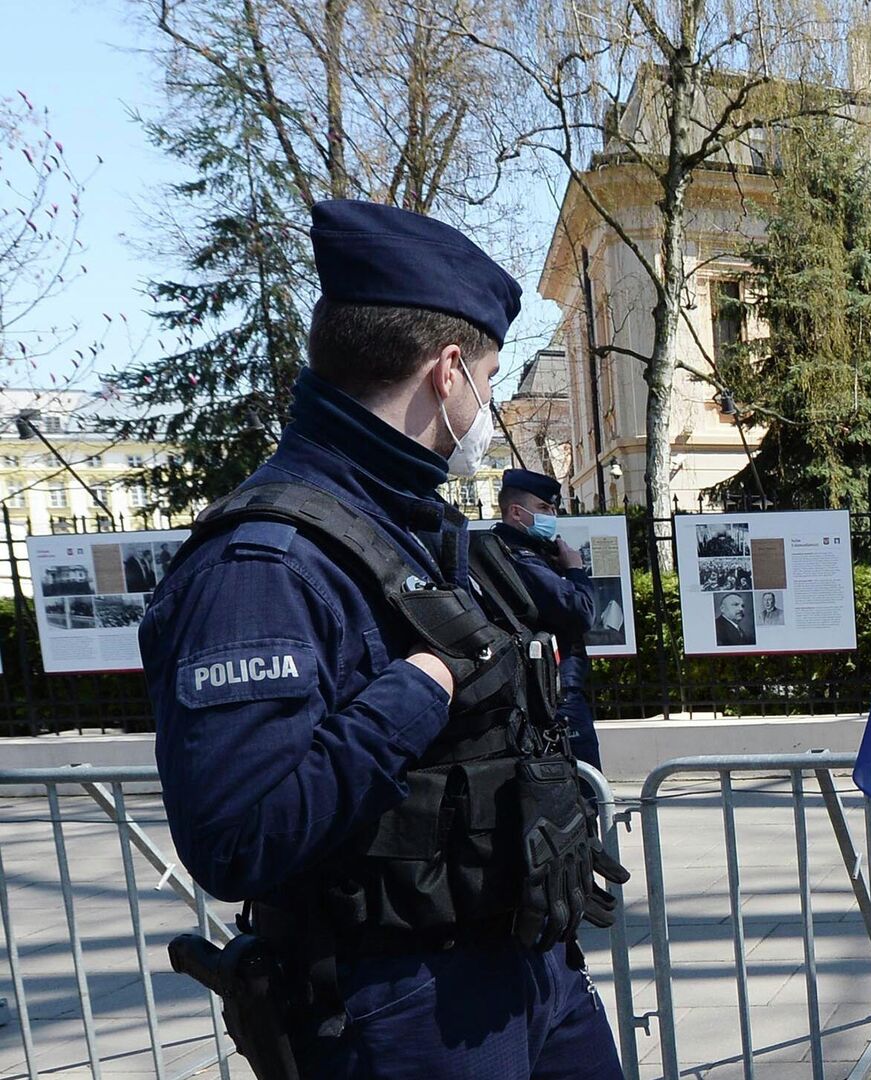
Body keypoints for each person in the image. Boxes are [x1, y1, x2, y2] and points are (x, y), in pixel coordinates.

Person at [138, 200, 626, 1079]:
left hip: (529, 969)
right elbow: (238, 836)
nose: (491, 403)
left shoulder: (416, 528)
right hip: (401, 1007)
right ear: (448, 373)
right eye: (489, 374)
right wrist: (422, 683)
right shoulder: (261, 564)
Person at [495, 468, 602, 768]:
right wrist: (574, 570)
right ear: (516, 512)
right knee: (586, 790)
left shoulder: (521, 552)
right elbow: (580, 611)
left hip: (544, 689)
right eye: (543, 508)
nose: (551, 515)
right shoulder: (521, 556)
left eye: (553, 509)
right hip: (555, 695)